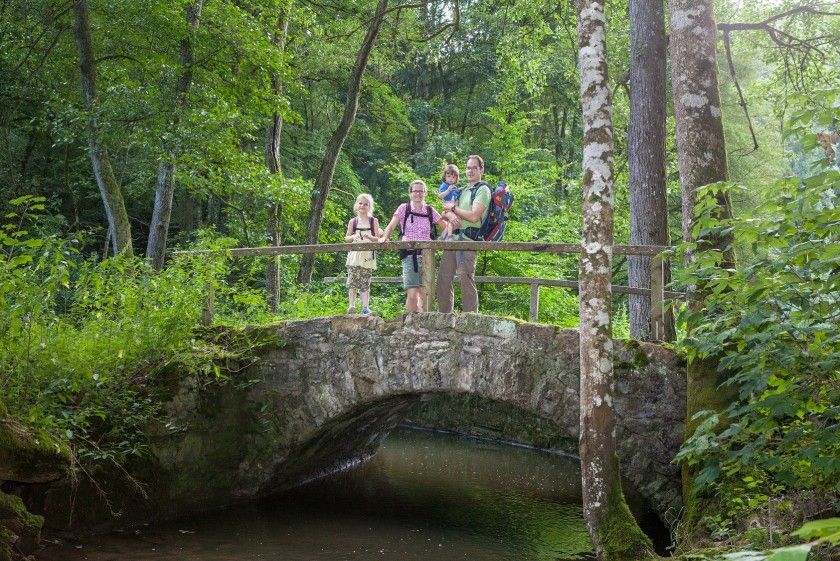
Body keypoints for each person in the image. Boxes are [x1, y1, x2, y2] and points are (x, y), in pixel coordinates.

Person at [379, 180, 445, 313]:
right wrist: (384, 237)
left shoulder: (430, 210)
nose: (418, 194)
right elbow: (392, 225)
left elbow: (445, 226)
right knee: (412, 292)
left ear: (425, 193)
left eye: (421, 191)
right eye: (415, 191)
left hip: (427, 255)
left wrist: (441, 239)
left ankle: (423, 324)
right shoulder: (404, 208)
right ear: (410, 193)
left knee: (425, 293)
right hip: (409, 254)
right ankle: (410, 323)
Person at [437, 155, 491, 313]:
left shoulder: (483, 190)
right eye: (468, 167)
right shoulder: (461, 190)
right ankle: (445, 318)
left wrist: (453, 210)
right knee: (444, 279)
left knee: (465, 279)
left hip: (468, 240)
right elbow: (444, 211)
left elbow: (474, 216)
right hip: (452, 238)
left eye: (474, 167)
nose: (470, 171)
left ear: (481, 170)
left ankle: (470, 319)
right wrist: (451, 215)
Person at [345, 193, 379, 316]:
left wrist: (369, 236)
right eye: (360, 203)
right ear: (356, 205)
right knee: (352, 281)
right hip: (354, 256)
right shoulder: (352, 222)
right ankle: (351, 306)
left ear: (370, 206)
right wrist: (354, 237)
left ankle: (365, 308)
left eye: (366, 204)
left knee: (365, 282)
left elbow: (377, 238)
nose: (362, 206)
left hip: (368, 256)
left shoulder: (373, 221)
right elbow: (347, 238)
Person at [437, 164, 460, 240]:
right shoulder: (444, 185)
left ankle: (443, 235)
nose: (451, 179)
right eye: (449, 176)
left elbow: (456, 197)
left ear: (456, 178)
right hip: (447, 207)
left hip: (453, 208)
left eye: (453, 177)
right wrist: (448, 191)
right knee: (451, 220)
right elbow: (440, 196)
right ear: (445, 177)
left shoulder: (454, 187)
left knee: (452, 221)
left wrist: (458, 191)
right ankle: (450, 236)